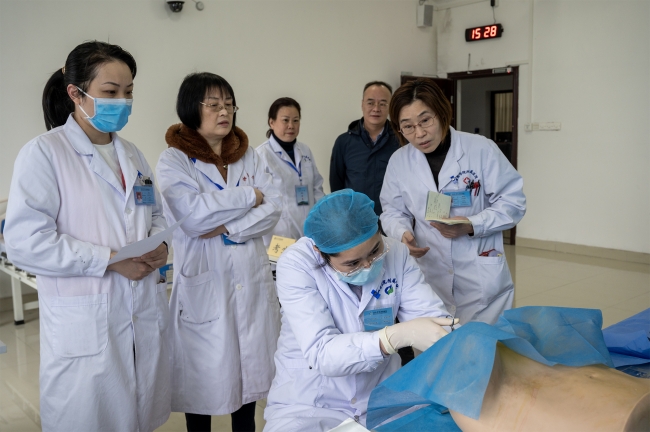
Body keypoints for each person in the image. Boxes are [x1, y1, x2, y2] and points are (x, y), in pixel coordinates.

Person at [4, 41, 171, 432]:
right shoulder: (44, 154)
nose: (122, 102)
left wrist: (161, 245)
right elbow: (24, 243)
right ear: (76, 94)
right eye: (110, 92)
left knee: (138, 414)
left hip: (141, 311)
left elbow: (156, 214)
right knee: (90, 417)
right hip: (86, 322)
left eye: (128, 92)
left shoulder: (133, 155)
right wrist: (111, 260)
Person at [263, 189, 456, 431]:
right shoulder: (297, 265)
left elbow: (432, 317)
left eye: (375, 251)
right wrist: (392, 337)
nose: (368, 265)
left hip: (381, 395)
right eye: (352, 263)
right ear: (320, 253)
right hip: (311, 399)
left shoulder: (396, 253)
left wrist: (460, 343)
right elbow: (322, 353)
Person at [156, 72, 282, 432]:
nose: (224, 111)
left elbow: (274, 208)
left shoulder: (248, 155)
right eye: (213, 104)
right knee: (203, 386)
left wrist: (227, 227)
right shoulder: (174, 160)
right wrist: (249, 196)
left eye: (229, 104)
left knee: (248, 387)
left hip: (250, 280)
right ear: (191, 109)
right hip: (205, 286)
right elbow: (194, 217)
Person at [380, 79, 526, 325]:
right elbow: (392, 210)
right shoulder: (399, 161)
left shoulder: (480, 149)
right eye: (408, 126)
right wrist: (402, 233)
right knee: (436, 344)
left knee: (483, 343)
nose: (419, 133)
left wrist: (471, 225)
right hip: (429, 271)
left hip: (478, 273)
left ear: (442, 112)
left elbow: (513, 202)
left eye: (425, 120)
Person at [256, 97, 325, 246]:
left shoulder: (305, 151)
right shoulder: (261, 155)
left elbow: (317, 188)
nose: (291, 126)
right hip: (278, 234)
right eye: (285, 120)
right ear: (271, 122)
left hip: (309, 231)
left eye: (296, 120)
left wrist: (322, 219)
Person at [329, 81, 400, 216]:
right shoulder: (344, 142)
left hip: (391, 218)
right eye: (370, 102)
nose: (376, 108)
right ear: (362, 104)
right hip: (354, 219)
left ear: (390, 107)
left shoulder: (401, 141)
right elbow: (336, 186)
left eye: (383, 103)